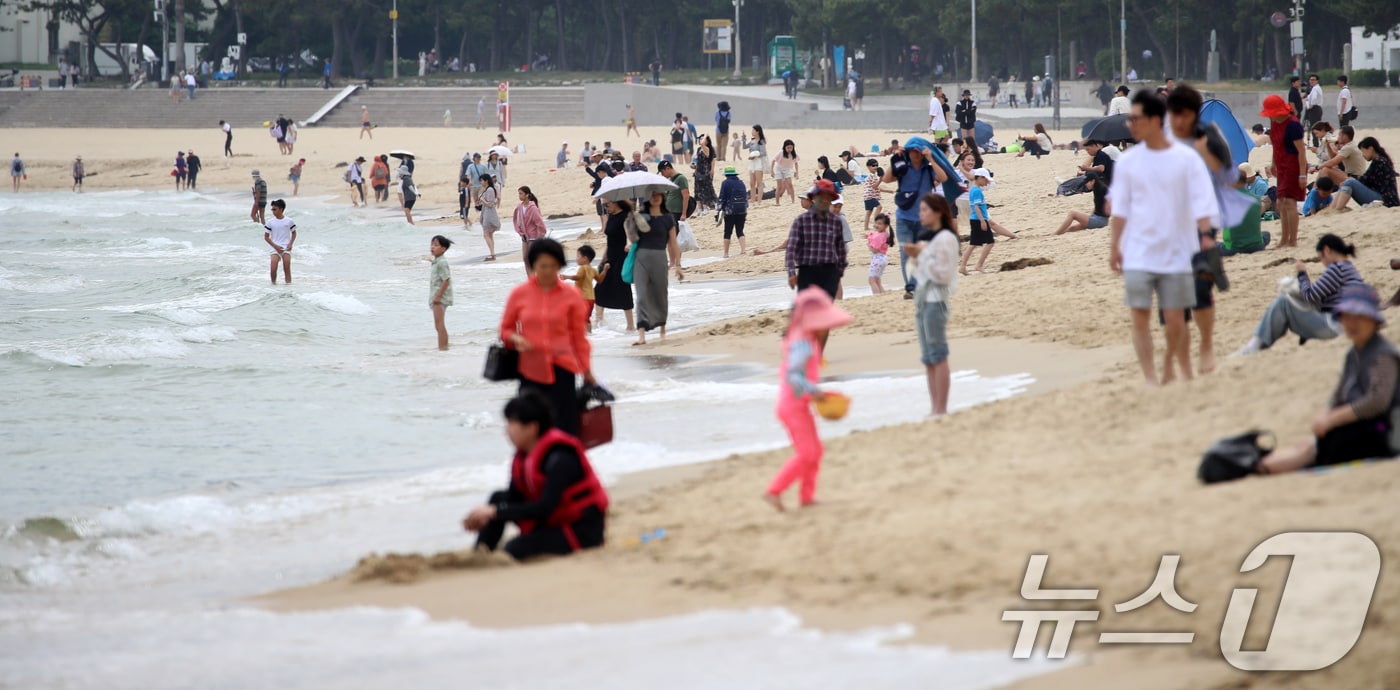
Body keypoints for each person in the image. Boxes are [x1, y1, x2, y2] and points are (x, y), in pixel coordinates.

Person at [1109, 90, 1220, 386]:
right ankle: (1150, 377)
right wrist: (1114, 247)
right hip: (1137, 252)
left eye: (1135, 118)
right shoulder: (1127, 161)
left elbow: (1203, 201)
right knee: (1140, 317)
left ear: (1155, 120)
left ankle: (1172, 362)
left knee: (1175, 320)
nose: (1130, 124)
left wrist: (1207, 236)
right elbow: (1119, 209)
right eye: (1129, 119)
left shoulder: (1186, 158)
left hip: (1178, 251)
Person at [1254, 285, 1400, 474]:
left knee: (1310, 450)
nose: (1352, 323)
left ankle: (1259, 469)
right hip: (1363, 427)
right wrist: (1325, 415)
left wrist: (1333, 419)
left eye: (1359, 317)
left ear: (1372, 320)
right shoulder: (1354, 353)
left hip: (1382, 433)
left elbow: (1377, 402)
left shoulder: (1383, 355)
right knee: (1307, 445)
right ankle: (1258, 466)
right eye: (1346, 317)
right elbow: (1338, 393)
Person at [462, 392, 609, 559]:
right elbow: (512, 499)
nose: (506, 431)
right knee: (498, 498)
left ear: (532, 428)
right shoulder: (524, 455)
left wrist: (495, 512)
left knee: (513, 548)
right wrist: (486, 517)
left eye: (512, 423)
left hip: (579, 530)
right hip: (554, 520)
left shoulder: (560, 457)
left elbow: (545, 507)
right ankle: (481, 553)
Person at [762, 287, 852, 513]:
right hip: (792, 406)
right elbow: (793, 375)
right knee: (807, 453)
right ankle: (774, 491)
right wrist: (815, 391)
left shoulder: (798, 334)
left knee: (815, 451)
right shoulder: (802, 343)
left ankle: (807, 497)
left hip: (796, 404)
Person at [500, 238, 596, 435]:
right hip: (529, 370)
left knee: (565, 429)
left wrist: (586, 370)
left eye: (553, 266)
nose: (547, 271)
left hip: (563, 370)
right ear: (533, 264)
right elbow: (505, 330)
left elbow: (579, 338)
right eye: (542, 266)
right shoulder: (519, 294)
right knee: (532, 431)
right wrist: (516, 339)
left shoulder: (571, 296)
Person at [1235, 234, 1364, 357]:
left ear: (1327, 250)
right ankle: (1258, 344)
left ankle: (1254, 345)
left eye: (1321, 258)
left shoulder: (1337, 269)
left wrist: (1302, 274)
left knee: (1283, 302)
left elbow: (1310, 295)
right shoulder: (1349, 268)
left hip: (1336, 326)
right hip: (1348, 323)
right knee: (1291, 303)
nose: (1324, 263)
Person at [903, 194, 960, 417]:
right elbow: (921, 272)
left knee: (938, 354)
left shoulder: (945, 238)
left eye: (925, 210)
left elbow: (943, 275)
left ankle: (941, 408)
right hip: (923, 299)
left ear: (938, 212)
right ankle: (934, 407)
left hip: (936, 300)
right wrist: (916, 255)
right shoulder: (929, 238)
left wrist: (922, 253)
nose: (921, 214)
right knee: (928, 358)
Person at [786, 180, 848, 352]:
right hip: (807, 272)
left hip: (829, 272)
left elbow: (841, 250)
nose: (825, 201)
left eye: (828, 198)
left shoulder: (835, 222)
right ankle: (807, 347)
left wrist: (839, 272)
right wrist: (791, 272)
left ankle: (818, 353)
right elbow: (791, 248)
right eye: (822, 197)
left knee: (824, 316)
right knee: (807, 315)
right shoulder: (801, 221)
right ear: (814, 198)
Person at [884, 140, 948, 299]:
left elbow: (943, 177)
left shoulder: (928, 170)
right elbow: (886, 179)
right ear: (907, 152)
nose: (915, 154)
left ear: (922, 153)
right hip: (903, 218)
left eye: (918, 151)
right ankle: (911, 288)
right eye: (912, 151)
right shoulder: (903, 167)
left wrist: (931, 159)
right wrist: (895, 158)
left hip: (924, 220)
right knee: (906, 253)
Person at [632, 191, 683, 346]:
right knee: (641, 296)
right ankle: (641, 335)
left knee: (660, 293)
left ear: (663, 197)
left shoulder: (668, 218)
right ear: (647, 197)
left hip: (660, 258)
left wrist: (678, 265)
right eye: (652, 195)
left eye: (658, 195)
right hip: (641, 258)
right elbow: (632, 236)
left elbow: (673, 243)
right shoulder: (640, 216)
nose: (655, 197)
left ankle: (662, 330)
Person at [1261, 94, 1308, 248]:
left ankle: (1292, 240)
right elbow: (1276, 145)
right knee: (1281, 202)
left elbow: (1301, 151)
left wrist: (1302, 174)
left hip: (1294, 165)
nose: (1270, 116)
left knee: (1290, 202)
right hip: (1281, 164)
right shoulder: (1274, 123)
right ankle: (1284, 239)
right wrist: (1273, 163)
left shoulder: (1293, 125)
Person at [595, 200, 636, 330]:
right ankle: (599, 321)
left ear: (616, 203)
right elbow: (609, 241)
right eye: (604, 206)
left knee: (622, 288)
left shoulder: (625, 216)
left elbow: (629, 233)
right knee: (600, 288)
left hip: (621, 257)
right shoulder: (611, 217)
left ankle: (630, 325)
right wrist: (603, 258)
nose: (606, 208)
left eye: (607, 205)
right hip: (610, 258)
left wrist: (629, 243)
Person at [1337, 137, 1400, 210]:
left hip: (1386, 201)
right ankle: (1335, 208)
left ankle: (1337, 209)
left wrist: (1349, 180)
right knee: (1348, 182)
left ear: (1370, 149)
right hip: (1387, 198)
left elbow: (1364, 180)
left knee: (1349, 182)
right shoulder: (1382, 160)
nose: (1363, 155)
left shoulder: (1378, 161)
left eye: (1363, 152)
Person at [959, 169, 999, 274]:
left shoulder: (973, 189)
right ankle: (979, 265)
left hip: (976, 219)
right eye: (986, 180)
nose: (987, 183)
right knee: (989, 242)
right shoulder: (976, 191)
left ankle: (963, 267)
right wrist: (982, 221)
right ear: (980, 178)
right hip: (978, 219)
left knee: (973, 244)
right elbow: (976, 207)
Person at [561, 245, 602, 334]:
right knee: (587, 318)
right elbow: (600, 280)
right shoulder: (593, 270)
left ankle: (584, 335)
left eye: (578, 256)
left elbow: (578, 277)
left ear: (585, 258)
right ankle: (590, 334)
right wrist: (605, 270)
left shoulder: (583, 268)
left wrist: (566, 277)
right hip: (591, 298)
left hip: (583, 298)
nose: (576, 258)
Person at [716, 165, 750, 258]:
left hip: (730, 211)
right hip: (742, 210)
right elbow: (745, 197)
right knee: (740, 230)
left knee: (727, 231)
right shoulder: (741, 183)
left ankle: (726, 253)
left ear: (726, 175)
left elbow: (722, 197)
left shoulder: (725, 183)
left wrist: (718, 210)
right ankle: (743, 250)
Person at [263, 199, 295, 285]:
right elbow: (266, 237)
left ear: (281, 209)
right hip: (274, 248)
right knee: (273, 269)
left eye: (275, 209)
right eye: (272, 209)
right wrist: (276, 246)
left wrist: (290, 243)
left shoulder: (289, 221)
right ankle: (273, 285)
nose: (273, 211)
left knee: (287, 268)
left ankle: (289, 287)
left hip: (286, 247)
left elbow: (294, 233)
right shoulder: (270, 222)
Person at [513, 186, 546, 270]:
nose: (519, 195)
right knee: (525, 259)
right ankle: (530, 280)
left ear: (527, 195)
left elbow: (540, 224)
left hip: (534, 237)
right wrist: (519, 232)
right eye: (519, 193)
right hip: (524, 236)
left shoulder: (533, 208)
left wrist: (540, 237)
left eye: (521, 193)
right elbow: (516, 220)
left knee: (532, 259)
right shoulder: (519, 206)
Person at [474, 173, 502, 261]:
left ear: (486, 181)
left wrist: (482, 200)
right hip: (487, 213)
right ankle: (492, 254)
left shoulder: (489, 190)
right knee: (489, 234)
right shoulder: (489, 189)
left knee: (486, 234)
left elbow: (490, 204)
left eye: (482, 180)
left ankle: (492, 254)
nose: (481, 182)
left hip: (489, 214)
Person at [867, 213, 893, 294]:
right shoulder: (885, 234)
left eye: (879, 224)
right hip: (883, 259)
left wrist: (868, 245)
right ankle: (882, 295)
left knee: (871, 280)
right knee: (877, 280)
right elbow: (876, 236)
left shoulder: (880, 236)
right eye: (876, 223)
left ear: (885, 226)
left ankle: (876, 296)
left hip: (877, 259)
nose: (876, 225)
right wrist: (868, 237)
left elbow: (875, 250)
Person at [862, 159, 890, 232]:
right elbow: (874, 186)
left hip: (868, 196)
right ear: (868, 167)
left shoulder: (873, 176)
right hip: (870, 196)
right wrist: (880, 180)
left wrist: (887, 191)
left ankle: (866, 227)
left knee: (869, 212)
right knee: (879, 207)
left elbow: (876, 187)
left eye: (876, 165)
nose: (875, 167)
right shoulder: (871, 176)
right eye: (873, 165)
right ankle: (876, 223)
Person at [744, 126, 769, 204]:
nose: (752, 131)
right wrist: (743, 138)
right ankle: (752, 199)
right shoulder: (752, 141)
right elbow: (744, 146)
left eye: (753, 130)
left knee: (759, 182)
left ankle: (759, 201)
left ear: (757, 131)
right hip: (752, 163)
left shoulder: (761, 141)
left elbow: (764, 153)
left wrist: (755, 156)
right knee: (752, 183)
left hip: (759, 163)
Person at [693, 135, 717, 212]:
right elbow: (697, 160)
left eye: (703, 139)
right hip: (699, 170)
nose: (701, 140)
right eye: (700, 139)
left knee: (705, 189)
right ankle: (700, 208)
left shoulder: (707, 149)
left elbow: (712, 160)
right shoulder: (699, 149)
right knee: (697, 190)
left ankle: (705, 207)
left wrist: (706, 135)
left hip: (705, 171)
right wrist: (695, 170)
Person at [1304, 74, 1324, 141]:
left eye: (1313, 80)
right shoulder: (1314, 88)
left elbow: (1314, 98)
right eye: (1310, 80)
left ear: (1317, 81)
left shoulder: (1315, 88)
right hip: (1317, 109)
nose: (1311, 81)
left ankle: (1316, 143)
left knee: (1314, 127)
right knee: (1316, 126)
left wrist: (1310, 106)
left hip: (1314, 109)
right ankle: (1318, 142)